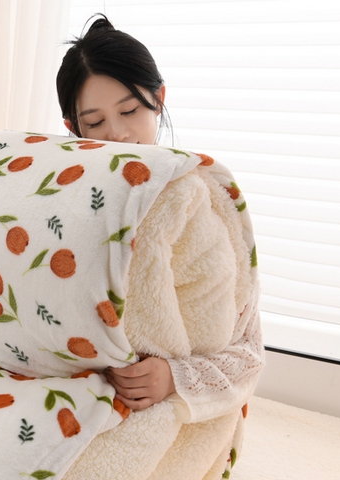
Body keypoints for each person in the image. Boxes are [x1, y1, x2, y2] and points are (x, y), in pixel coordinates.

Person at [56, 15, 264, 422]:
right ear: (72, 127)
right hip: (74, 388)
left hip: (161, 404)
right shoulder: (55, 195)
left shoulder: (198, 199)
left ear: (159, 99)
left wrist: (173, 378)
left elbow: (248, 352)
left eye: (130, 110)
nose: (118, 134)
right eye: (95, 122)